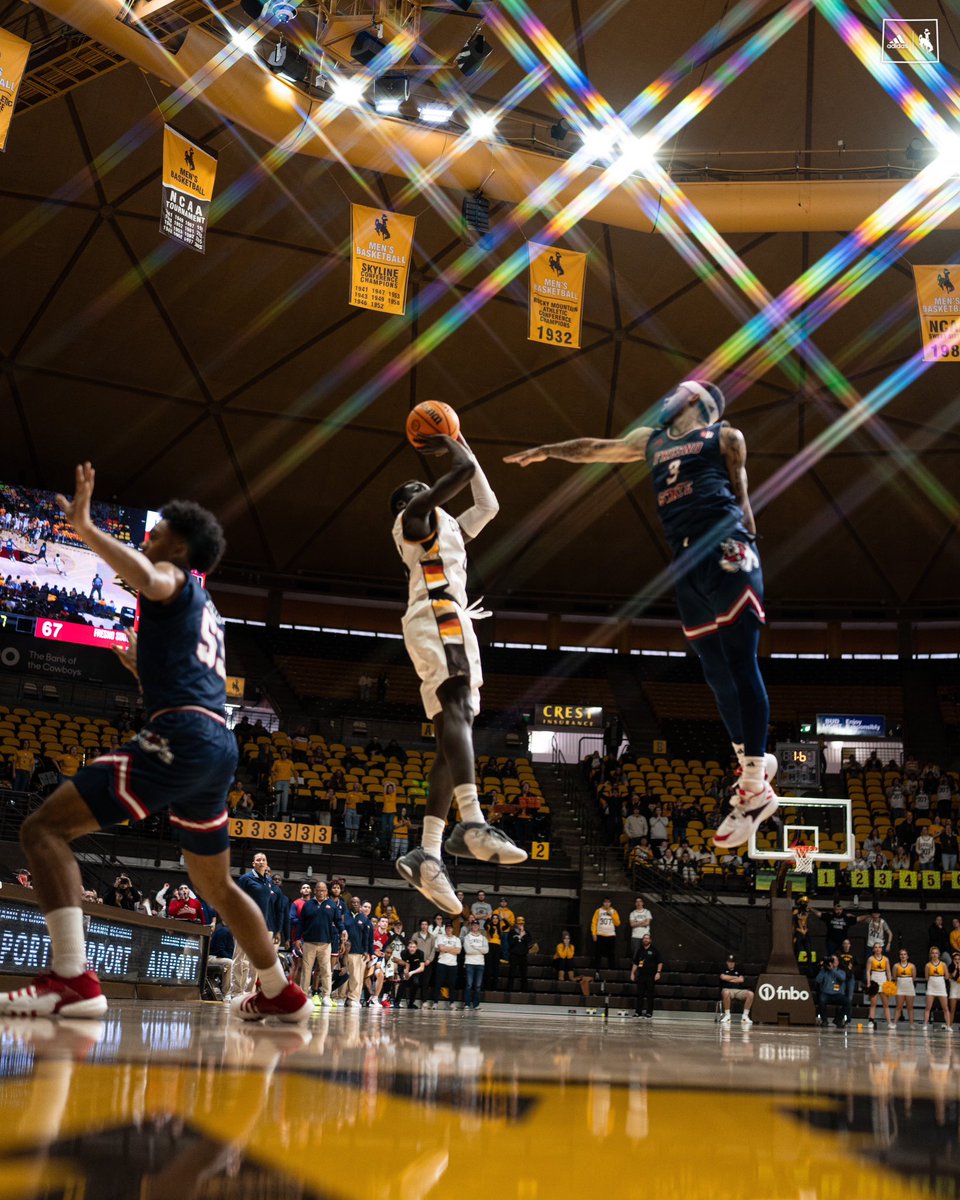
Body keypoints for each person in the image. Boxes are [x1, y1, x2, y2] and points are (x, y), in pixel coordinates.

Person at [0, 468, 307, 1021]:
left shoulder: (172, 575)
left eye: (159, 529)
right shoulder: (206, 613)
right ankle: (279, 988)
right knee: (216, 883)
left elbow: (148, 573)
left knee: (42, 829)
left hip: (183, 735)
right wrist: (144, 664)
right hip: (217, 746)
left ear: (180, 546)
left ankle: (71, 979)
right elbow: (189, 678)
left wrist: (88, 528)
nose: (150, 536)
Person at [505, 379, 778, 849]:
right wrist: (549, 450)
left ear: (695, 400)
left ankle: (753, 785)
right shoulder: (651, 441)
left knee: (738, 659)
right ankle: (750, 758)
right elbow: (594, 448)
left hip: (726, 545)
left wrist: (750, 553)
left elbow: (744, 500)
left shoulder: (724, 437)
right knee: (713, 669)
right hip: (685, 560)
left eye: (675, 391)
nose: (665, 396)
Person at [391, 434, 526, 913]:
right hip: (437, 615)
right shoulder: (414, 520)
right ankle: (470, 821)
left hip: (447, 618)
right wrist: (452, 445)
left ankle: (427, 854)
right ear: (411, 503)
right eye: (417, 487)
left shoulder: (446, 530)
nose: (422, 489)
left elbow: (486, 503)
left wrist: (465, 443)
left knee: (454, 732)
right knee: (458, 711)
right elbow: (462, 476)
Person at [300, 880, 342, 1008]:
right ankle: (303, 996)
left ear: (327, 891)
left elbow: (338, 921)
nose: (321, 892)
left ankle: (326, 997)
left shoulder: (332, 905)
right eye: (319, 890)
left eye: (323, 890)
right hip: (309, 943)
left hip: (325, 944)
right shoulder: (307, 905)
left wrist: (343, 930)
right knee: (306, 971)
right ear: (315, 891)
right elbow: (301, 923)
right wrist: (297, 939)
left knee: (326, 971)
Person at [630, 933, 662, 1019]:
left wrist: (658, 972)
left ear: (650, 940)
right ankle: (638, 1012)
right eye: (644, 938)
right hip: (641, 976)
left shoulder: (655, 950)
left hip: (651, 976)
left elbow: (660, 962)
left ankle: (649, 1012)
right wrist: (632, 973)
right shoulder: (639, 950)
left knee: (650, 995)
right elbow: (636, 963)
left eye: (647, 938)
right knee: (639, 994)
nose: (645, 940)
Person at [814, 954, 851, 1028]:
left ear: (838, 962)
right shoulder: (824, 970)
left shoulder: (841, 971)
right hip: (826, 993)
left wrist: (832, 970)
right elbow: (818, 980)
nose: (833, 962)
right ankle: (824, 1020)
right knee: (821, 999)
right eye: (832, 960)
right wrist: (823, 969)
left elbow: (842, 978)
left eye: (835, 960)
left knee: (848, 1002)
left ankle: (838, 1019)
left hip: (837, 994)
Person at [432, 921, 461, 1009]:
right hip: (442, 963)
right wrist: (452, 948)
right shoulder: (441, 937)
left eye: (450, 928)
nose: (449, 929)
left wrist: (446, 948)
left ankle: (452, 1003)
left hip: (453, 964)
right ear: (445, 929)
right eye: (447, 928)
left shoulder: (457, 939)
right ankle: (435, 1002)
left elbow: (458, 951)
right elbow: (441, 948)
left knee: (452, 984)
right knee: (438, 983)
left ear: (452, 929)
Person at [461, 917, 489, 1011]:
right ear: (471, 926)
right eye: (473, 925)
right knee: (469, 984)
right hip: (469, 963)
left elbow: (486, 950)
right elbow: (468, 950)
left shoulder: (483, 937)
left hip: (480, 963)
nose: (475, 927)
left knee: (477, 986)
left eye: (477, 925)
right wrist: (479, 949)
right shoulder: (467, 937)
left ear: (478, 926)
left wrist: (475, 948)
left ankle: (476, 1004)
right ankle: (467, 1004)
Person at [719, 954, 753, 1026]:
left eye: (733, 962)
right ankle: (727, 1016)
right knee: (726, 993)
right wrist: (735, 978)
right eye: (730, 962)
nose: (731, 963)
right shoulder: (723, 969)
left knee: (750, 994)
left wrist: (729, 979)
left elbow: (741, 979)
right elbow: (723, 977)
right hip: (727, 989)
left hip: (739, 990)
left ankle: (745, 1016)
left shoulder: (739, 970)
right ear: (727, 962)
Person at [865, 941, 893, 1029]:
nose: (877, 949)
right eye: (876, 947)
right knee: (873, 1003)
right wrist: (869, 982)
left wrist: (890, 981)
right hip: (874, 980)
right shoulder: (870, 959)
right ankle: (871, 1021)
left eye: (879, 947)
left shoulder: (886, 959)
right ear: (873, 949)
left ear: (881, 949)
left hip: (883, 980)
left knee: (886, 1004)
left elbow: (888, 971)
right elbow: (868, 971)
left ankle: (889, 1022)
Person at [591, 896, 621, 973]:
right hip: (600, 935)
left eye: (608, 902)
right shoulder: (598, 911)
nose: (607, 903)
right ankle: (596, 971)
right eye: (605, 902)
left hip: (611, 935)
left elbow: (617, 923)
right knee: (598, 954)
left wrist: (612, 915)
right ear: (603, 903)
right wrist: (594, 934)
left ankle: (612, 971)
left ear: (610, 903)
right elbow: (594, 923)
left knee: (611, 954)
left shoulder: (613, 911)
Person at [925, 945, 952, 1030]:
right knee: (928, 1007)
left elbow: (947, 976)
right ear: (930, 954)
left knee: (945, 1008)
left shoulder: (943, 964)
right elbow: (926, 977)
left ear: (939, 954)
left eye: (936, 953)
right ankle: (925, 1025)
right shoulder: (928, 965)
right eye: (933, 953)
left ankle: (948, 1026)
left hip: (941, 986)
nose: (934, 955)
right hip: (931, 986)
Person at [397, 939, 427, 1009]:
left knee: (416, 982)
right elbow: (404, 965)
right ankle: (397, 1002)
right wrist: (406, 973)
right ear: (408, 947)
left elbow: (422, 968)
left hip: (415, 971)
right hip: (404, 969)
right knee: (404, 981)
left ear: (416, 947)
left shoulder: (420, 953)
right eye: (410, 947)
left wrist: (411, 973)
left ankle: (411, 1003)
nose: (412, 949)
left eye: (414, 947)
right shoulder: (403, 953)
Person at [506, 915, 531, 993]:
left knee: (524, 973)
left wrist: (524, 934)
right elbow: (511, 943)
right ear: (516, 924)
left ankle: (524, 990)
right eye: (519, 924)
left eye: (522, 924)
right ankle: (509, 990)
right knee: (511, 973)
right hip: (514, 955)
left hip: (523, 955)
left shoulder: (527, 932)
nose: (520, 925)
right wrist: (519, 936)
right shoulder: (511, 932)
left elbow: (528, 941)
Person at [893, 948, 917, 1027]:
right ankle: (894, 1023)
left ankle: (911, 1024)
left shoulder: (912, 966)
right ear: (899, 956)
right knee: (898, 1007)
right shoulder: (896, 966)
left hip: (909, 987)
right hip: (900, 987)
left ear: (907, 956)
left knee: (910, 1007)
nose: (903, 956)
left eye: (904, 954)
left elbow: (913, 978)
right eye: (901, 954)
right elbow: (894, 977)